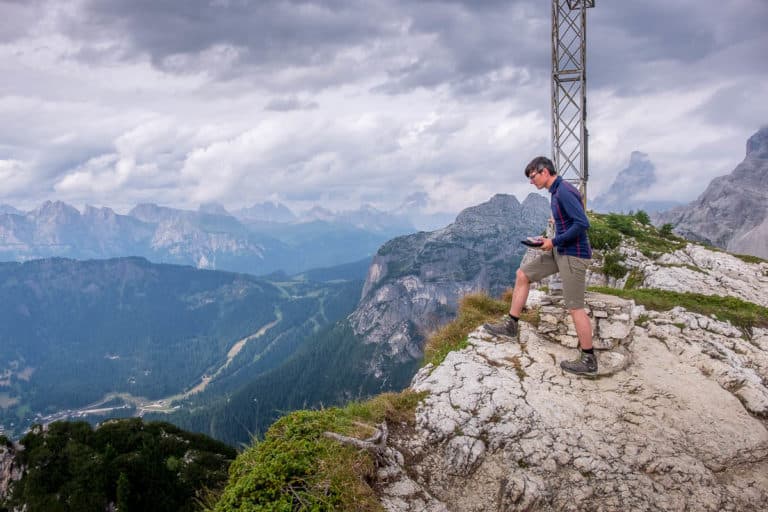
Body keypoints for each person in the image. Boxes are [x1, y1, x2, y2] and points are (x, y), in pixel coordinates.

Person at [483, 156, 596, 376]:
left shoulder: (563, 191)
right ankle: (511, 325)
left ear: (545, 172)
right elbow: (571, 217)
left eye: (532, 176)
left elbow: (583, 224)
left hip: (573, 255)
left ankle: (589, 359)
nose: (531, 181)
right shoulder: (557, 192)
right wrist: (554, 230)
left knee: (575, 307)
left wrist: (553, 241)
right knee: (523, 274)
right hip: (559, 250)